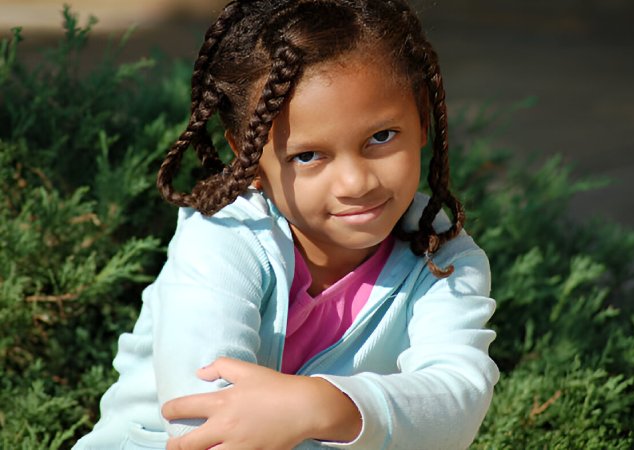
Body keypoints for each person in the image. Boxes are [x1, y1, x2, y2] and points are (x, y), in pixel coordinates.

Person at [74, 1, 499, 449]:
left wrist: (320, 405)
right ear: (249, 157)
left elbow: (456, 402)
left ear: (421, 120)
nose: (355, 182)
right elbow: (202, 425)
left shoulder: (442, 262)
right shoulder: (224, 240)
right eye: (309, 156)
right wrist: (316, 412)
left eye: (381, 137)